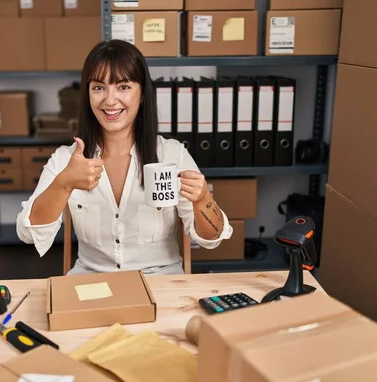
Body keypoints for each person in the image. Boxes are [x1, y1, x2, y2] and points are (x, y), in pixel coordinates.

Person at [16, 40, 233, 275]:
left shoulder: (172, 154)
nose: (110, 100)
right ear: (87, 94)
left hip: (160, 282)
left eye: (123, 87)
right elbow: (28, 234)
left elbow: (212, 239)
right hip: (92, 282)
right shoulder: (65, 159)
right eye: (99, 87)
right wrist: (64, 183)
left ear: (142, 95)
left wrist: (203, 199)